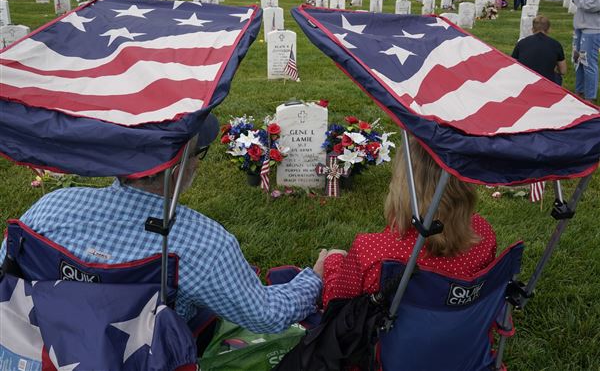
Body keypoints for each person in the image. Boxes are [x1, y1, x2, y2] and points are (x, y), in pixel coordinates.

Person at [0, 114, 325, 334]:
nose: (199, 163)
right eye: (201, 153)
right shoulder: (204, 244)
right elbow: (265, 316)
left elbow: (7, 276)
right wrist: (313, 280)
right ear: (177, 169)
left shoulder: (48, 209)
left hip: (49, 344)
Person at [321, 135, 497, 308]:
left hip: (390, 335)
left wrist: (331, 261)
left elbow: (336, 305)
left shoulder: (371, 252)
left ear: (403, 185)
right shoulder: (484, 233)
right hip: (462, 332)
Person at [565, 0, 600, 103]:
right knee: (578, 60)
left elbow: (593, 4)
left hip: (592, 28)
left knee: (589, 63)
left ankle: (589, 97)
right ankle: (579, 92)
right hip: (582, 25)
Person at [512, 15, 567, 85]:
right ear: (549, 29)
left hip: (524, 81)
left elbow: (513, 64)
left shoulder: (522, 43)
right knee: (558, 76)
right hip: (547, 82)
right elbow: (563, 70)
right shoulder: (556, 44)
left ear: (532, 29)